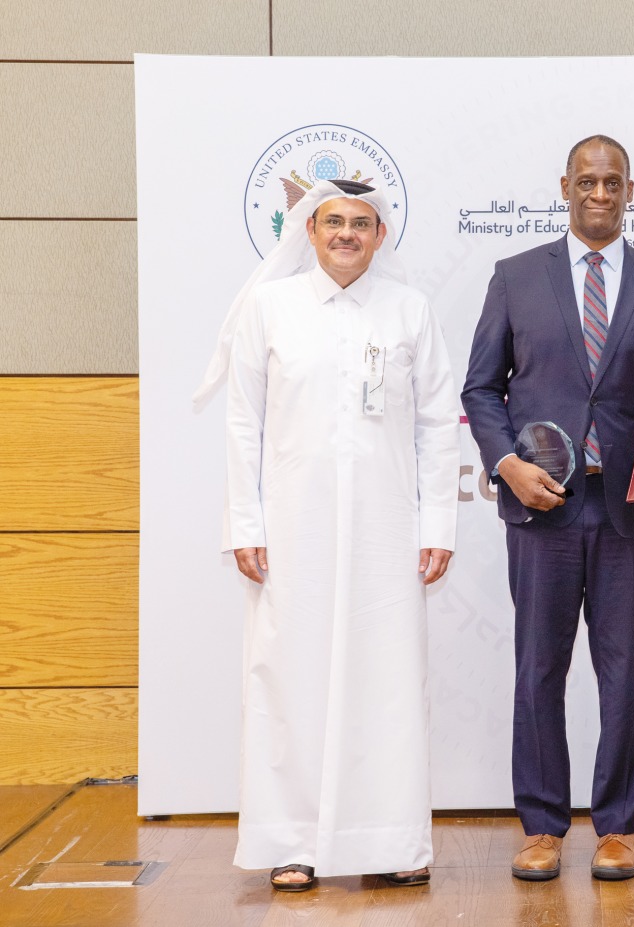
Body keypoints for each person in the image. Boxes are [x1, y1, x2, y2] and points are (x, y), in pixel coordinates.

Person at [196, 179, 460, 892]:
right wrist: (244, 523)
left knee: (388, 682)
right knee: (292, 679)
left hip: (387, 533)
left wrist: (437, 523)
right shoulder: (269, 307)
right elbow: (242, 422)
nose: (347, 233)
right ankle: (295, 842)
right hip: (291, 530)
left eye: (362, 223)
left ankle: (390, 840)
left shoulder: (410, 310)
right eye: (334, 221)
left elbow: (438, 423)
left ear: (381, 236)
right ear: (309, 231)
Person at [461, 135, 634, 882]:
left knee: (622, 668)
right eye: (587, 181)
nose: (599, 193)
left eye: (613, 182)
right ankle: (541, 825)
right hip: (542, 509)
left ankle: (618, 825)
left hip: (627, 508)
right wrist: (507, 465)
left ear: (632, 189)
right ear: (564, 185)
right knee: (539, 668)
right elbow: (480, 389)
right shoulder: (514, 277)